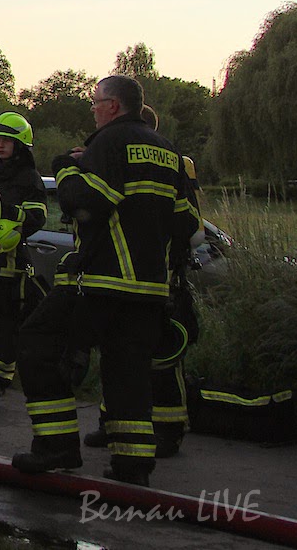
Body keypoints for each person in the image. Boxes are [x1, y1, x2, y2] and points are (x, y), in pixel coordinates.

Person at [12, 76, 195, 486]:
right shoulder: (169, 153)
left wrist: (67, 167)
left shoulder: (109, 144)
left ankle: (57, 445)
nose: (92, 109)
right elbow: (188, 223)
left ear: (113, 106)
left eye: (95, 103)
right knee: (128, 373)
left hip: (101, 280)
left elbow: (84, 201)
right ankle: (133, 466)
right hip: (150, 288)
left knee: (37, 342)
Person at [83, 104, 201, 458]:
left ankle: (167, 427)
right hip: (150, 274)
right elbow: (189, 222)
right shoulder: (170, 158)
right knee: (125, 356)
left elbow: (187, 224)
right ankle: (116, 422)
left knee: (161, 356)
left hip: (158, 275)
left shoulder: (157, 158)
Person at [0, 112, 47, 397]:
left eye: (7, 141)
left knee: (6, 319)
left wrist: (7, 209)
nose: (0, 146)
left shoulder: (30, 179)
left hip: (11, 260)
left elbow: (36, 218)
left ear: (21, 144)